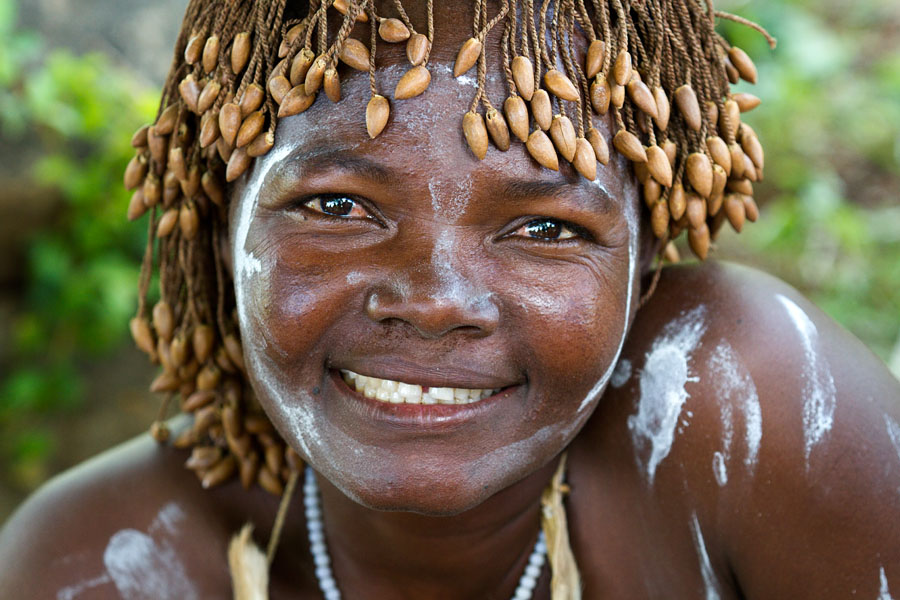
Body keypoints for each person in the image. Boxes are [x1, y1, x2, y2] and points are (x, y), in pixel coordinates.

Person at [1, 0, 899, 598]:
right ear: (216, 229)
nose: (435, 302)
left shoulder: (759, 422)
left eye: (546, 228)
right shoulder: (106, 564)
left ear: (646, 262)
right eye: (337, 207)